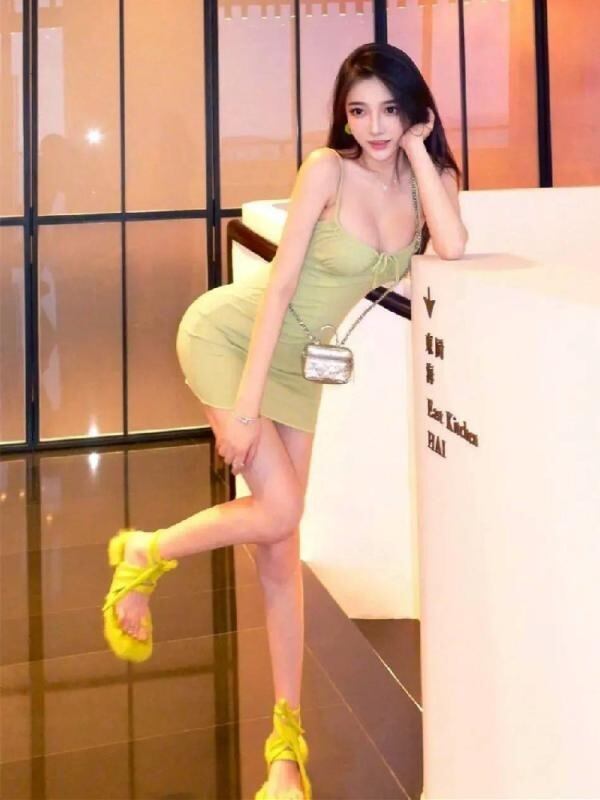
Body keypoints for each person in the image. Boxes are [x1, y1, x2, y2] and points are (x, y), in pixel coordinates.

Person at [102, 42, 467, 800]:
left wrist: (420, 151)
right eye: (358, 111)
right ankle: (146, 551)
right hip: (234, 338)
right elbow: (278, 285)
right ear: (343, 116)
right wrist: (242, 409)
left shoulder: (426, 178)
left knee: (279, 545)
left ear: (413, 110)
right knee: (280, 511)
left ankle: (285, 754)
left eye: (389, 110)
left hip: (303, 367)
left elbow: (455, 244)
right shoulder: (325, 170)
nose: (373, 127)